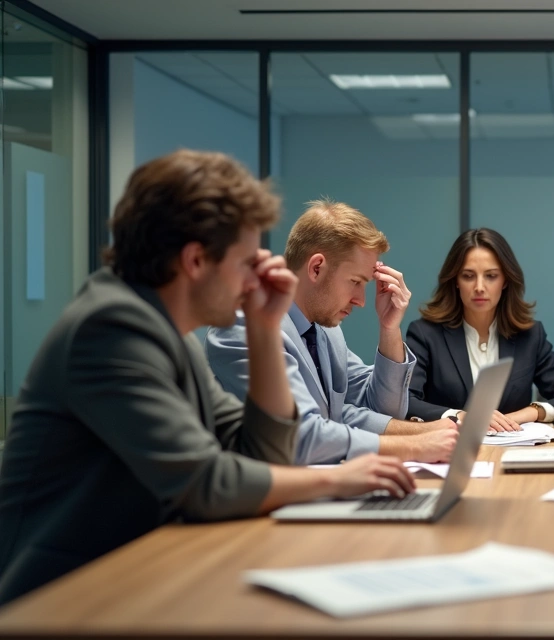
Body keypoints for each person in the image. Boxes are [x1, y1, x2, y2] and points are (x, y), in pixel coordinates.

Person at [0, 151, 414, 605]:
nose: (255, 277)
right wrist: (337, 479)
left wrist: (262, 328)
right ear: (196, 260)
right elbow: (204, 481)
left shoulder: (169, 334)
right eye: (244, 262)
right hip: (59, 595)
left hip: (133, 575)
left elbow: (259, 451)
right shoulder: (111, 327)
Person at [208, 199, 457, 464]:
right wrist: (413, 446)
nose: (361, 300)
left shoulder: (324, 330)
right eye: (355, 282)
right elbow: (302, 434)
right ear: (316, 268)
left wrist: (389, 328)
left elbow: (379, 407)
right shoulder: (245, 326)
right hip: (263, 500)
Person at [406, 228, 554, 431]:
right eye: (468, 276)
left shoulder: (529, 336)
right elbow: (406, 401)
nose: (479, 286)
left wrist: (524, 414)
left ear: (505, 281)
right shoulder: (425, 334)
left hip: (514, 452)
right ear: (455, 282)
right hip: (449, 452)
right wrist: (459, 416)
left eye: (491, 276)